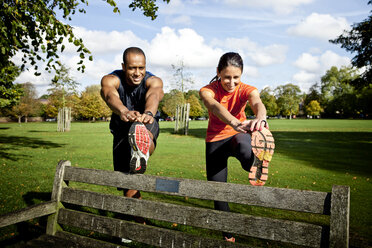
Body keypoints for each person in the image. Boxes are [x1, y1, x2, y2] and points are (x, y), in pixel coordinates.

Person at [199, 52, 275, 242]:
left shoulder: (247, 89)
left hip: (237, 135)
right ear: (218, 72)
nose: (231, 82)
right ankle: (228, 236)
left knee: (243, 145)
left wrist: (261, 118)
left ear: (241, 75)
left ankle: (255, 163)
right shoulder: (207, 90)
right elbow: (214, 106)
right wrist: (233, 121)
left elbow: (257, 102)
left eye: (236, 77)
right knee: (218, 192)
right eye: (226, 77)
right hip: (215, 141)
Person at [100, 47, 164, 201]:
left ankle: (141, 148)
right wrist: (123, 111)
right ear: (123, 67)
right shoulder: (111, 79)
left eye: (141, 68)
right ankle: (139, 221)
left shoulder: (154, 81)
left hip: (146, 122)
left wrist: (148, 113)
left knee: (144, 131)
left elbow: (154, 95)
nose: (137, 73)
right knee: (128, 182)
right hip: (121, 130)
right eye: (132, 68)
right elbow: (109, 95)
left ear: (146, 66)